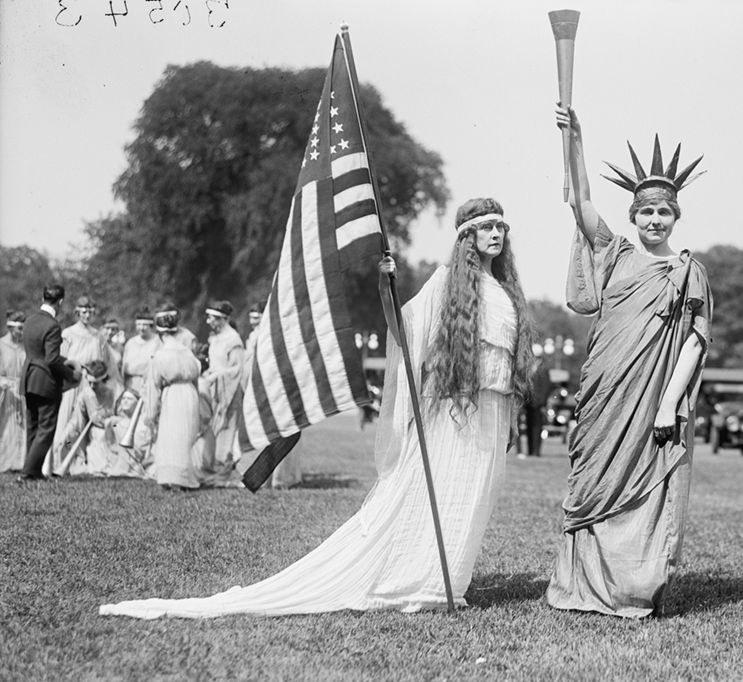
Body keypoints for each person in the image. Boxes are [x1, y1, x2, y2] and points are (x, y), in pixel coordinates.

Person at [99, 197, 535, 618]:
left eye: (500, 227)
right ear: (466, 237)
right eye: (485, 228)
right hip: (458, 411)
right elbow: (404, 330)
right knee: (443, 489)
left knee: (475, 494)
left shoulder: (505, 291)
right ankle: (427, 581)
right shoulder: (447, 283)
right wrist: (386, 285)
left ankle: (450, 578)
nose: (495, 234)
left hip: (493, 413)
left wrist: (511, 415)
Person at [546, 106, 713, 618]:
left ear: (676, 217)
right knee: (594, 475)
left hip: (653, 398)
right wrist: (575, 141)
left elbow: (694, 342)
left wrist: (667, 407)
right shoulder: (615, 253)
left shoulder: (689, 273)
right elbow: (580, 202)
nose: (655, 221)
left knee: (642, 482)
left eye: (664, 213)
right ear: (633, 217)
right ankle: (581, 588)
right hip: (605, 390)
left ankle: (631, 588)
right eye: (646, 213)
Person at [48, 295, 122, 475]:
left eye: (90, 312)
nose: (87, 315)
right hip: (72, 387)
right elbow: (60, 361)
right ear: (77, 313)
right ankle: (64, 458)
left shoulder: (98, 336)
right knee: (70, 426)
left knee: (91, 427)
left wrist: (113, 385)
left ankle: (87, 461)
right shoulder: (67, 334)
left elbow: (108, 364)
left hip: (93, 387)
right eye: (83, 311)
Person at [19, 285, 81, 481]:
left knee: (33, 427)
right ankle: (28, 472)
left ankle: (33, 471)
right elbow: (52, 359)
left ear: (42, 297)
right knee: (46, 428)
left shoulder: (30, 321)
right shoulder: (52, 325)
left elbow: (39, 354)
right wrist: (72, 375)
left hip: (28, 378)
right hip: (45, 381)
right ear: (60, 301)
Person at [143, 309, 204, 490]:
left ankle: (175, 479)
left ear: (160, 334)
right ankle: (183, 478)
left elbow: (153, 387)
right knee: (185, 436)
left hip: (173, 394)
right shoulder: (186, 351)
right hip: (190, 393)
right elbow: (196, 377)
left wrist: (151, 414)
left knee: (172, 436)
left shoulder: (160, 355)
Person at [57, 360, 131, 477]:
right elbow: (77, 420)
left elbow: (124, 422)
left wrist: (109, 422)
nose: (92, 386)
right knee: (67, 438)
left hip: (113, 434)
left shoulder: (116, 392)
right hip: (94, 436)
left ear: (104, 379)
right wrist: (66, 434)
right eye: (89, 382)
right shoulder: (86, 395)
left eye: (95, 383)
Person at [201, 301, 245, 466]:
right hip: (215, 390)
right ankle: (212, 462)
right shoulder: (216, 339)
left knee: (227, 427)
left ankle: (224, 464)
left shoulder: (234, 340)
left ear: (222, 319)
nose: (208, 321)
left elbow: (237, 369)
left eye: (211, 318)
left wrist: (218, 374)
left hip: (229, 391)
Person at [0, 311, 27, 472]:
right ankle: (5, 462)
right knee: (6, 427)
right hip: (6, 393)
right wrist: (7, 384)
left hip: (22, 391)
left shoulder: (24, 347)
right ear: (11, 328)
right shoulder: (1, 345)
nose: (21, 333)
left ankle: (20, 462)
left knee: (22, 426)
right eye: (19, 329)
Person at [121, 308, 161, 393]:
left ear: (151, 325)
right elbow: (124, 369)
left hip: (150, 386)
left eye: (144, 325)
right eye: (139, 325)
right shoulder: (130, 343)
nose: (141, 328)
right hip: (131, 387)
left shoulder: (158, 342)